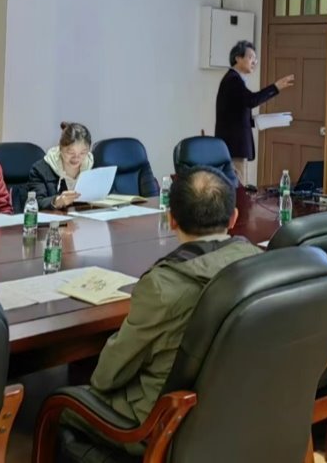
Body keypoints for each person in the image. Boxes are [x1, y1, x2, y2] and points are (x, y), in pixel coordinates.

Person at [83, 167, 262, 453]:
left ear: (171, 219)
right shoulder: (261, 264)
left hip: (162, 426)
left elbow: (106, 378)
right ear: (234, 218)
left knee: (60, 408)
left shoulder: (161, 286)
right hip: (240, 414)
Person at [215, 40, 294, 183]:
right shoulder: (233, 80)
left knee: (238, 186)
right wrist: (275, 87)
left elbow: (234, 112)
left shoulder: (234, 79)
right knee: (237, 187)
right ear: (238, 58)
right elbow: (251, 100)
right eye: (251, 57)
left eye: (255, 59)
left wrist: (257, 121)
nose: (254, 62)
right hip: (234, 147)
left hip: (234, 146)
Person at [28, 122, 94, 209]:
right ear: (60, 147)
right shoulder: (40, 170)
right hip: (56, 217)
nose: (76, 158)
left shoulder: (92, 166)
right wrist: (57, 201)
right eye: (71, 152)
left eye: (82, 153)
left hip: (86, 216)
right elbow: (35, 203)